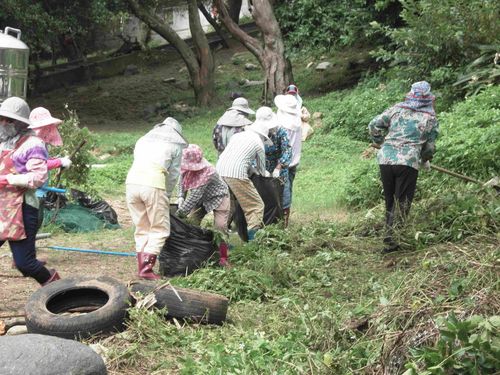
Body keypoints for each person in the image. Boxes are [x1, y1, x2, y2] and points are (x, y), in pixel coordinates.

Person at [368, 81, 439, 254]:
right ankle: (392, 241)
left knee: (390, 200)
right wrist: (425, 159)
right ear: (428, 97)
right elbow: (429, 147)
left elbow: (373, 125)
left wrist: (380, 142)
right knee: (402, 202)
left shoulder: (396, 109)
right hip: (407, 162)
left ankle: (389, 237)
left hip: (385, 159)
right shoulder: (429, 118)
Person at [0, 97, 60, 285]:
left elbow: (38, 177)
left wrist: (8, 179)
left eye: (8, 120)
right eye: (1, 118)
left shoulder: (33, 143)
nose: (3, 123)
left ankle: (56, 288)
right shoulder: (3, 143)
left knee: (25, 263)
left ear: (19, 123)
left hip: (22, 208)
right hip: (2, 206)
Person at [126, 117, 188, 279]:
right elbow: (173, 175)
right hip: (153, 184)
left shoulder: (143, 140)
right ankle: (147, 269)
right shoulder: (174, 145)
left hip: (131, 183)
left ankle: (142, 266)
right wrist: (165, 195)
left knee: (142, 227)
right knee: (160, 228)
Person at [216, 107, 275, 241]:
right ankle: (253, 242)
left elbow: (235, 156)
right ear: (263, 136)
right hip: (235, 174)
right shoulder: (259, 144)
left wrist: (249, 168)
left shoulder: (237, 136)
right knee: (256, 206)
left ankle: (222, 242)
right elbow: (261, 170)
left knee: (227, 207)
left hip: (219, 170)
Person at [177, 144, 231, 267]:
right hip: (201, 199)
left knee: (220, 227)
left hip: (218, 197)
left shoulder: (208, 171)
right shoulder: (185, 167)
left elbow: (194, 196)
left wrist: (179, 214)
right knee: (191, 223)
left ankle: (223, 257)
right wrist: (180, 196)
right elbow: (181, 182)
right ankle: (192, 251)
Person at [275, 94, 302, 227]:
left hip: (282, 163)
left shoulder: (283, 125)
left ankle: (282, 222)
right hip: (294, 161)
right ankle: (285, 219)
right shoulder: (297, 121)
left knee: (282, 191)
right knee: (288, 188)